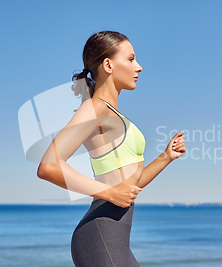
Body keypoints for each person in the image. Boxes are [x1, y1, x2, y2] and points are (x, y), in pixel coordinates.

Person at [36, 30, 186, 267]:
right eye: (130, 59)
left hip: (117, 238)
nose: (139, 67)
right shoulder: (94, 109)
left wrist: (166, 157)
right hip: (100, 234)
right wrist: (108, 192)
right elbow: (48, 166)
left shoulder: (118, 117)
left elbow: (129, 185)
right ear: (108, 64)